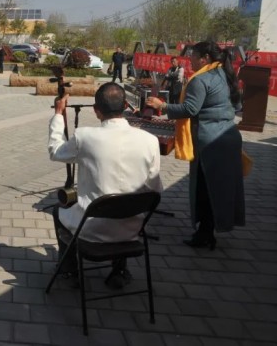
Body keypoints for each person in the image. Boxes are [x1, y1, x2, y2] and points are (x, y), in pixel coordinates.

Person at [49, 82, 163, 288]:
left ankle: (69, 269)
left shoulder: (85, 137)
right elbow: (155, 190)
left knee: (59, 210)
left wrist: (58, 115)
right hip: (132, 229)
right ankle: (119, 270)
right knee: (124, 205)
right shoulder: (150, 140)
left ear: (96, 110)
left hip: (91, 230)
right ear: (126, 105)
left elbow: (56, 151)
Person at [146, 41, 244, 250]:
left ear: (205, 58)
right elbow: (237, 106)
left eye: (193, 55)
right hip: (229, 136)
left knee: (205, 188)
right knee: (222, 187)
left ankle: (205, 234)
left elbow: (190, 109)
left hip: (210, 141)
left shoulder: (200, 79)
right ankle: (211, 229)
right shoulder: (227, 75)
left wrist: (162, 105)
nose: (189, 60)